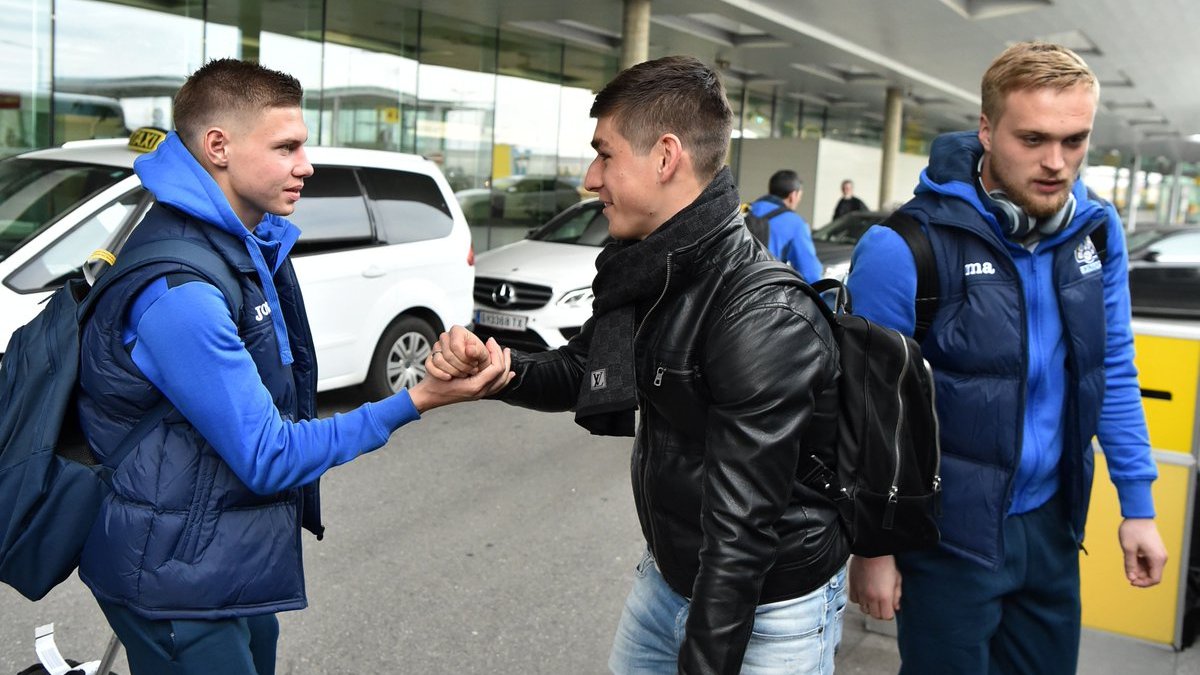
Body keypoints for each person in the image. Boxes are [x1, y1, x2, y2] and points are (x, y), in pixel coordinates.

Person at [74, 58, 509, 674]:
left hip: (218, 553)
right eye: (286, 147)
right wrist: (419, 398)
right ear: (218, 147)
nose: (306, 165)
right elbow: (267, 454)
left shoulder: (245, 243)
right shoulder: (182, 291)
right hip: (176, 580)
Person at [430, 55, 849, 674]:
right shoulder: (649, 267)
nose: (590, 178)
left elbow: (740, 538)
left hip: (763, 610)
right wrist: (500, 369)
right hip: (668, 579)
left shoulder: (761, 315)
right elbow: (586, 370)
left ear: (665, 157)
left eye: (604, 154)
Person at [845, 42, 1167, 674]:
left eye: (1075, 141)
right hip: (947, 538)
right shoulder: (902, 247)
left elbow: (1112, 369)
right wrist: (873, 546)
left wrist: (1138, 505)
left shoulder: (1097, 232)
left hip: (1052, 527)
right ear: (987, 131)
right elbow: (865, 411)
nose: (1056, 162)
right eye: (1033, 139)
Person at [748, 169, 824, 282]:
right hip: (764, 288)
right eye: (800, 196)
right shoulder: (796, 224)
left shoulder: (746, 210)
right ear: (793, 195)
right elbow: (810, 274)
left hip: (731, 286)